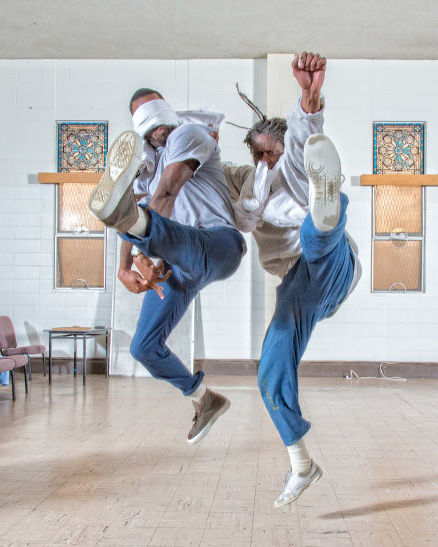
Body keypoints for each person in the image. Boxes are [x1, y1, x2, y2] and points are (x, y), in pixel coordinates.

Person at [223, 52, 361, 507]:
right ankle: (301, 464)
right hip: (296, 284)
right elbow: (210, 178)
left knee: (316, 226)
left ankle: (329, 206)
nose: (264, 158)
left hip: (330, 261)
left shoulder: (294, 165)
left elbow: (304, 139)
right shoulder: (248, 180)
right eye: (257, 152)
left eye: (271, 151)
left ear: (284, 149)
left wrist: (308, 98)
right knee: (269, 368)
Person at [88, 89, 246, 444]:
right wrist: (124, 265)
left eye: (158, 115)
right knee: (143, 347)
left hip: (218, 244)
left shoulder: (189, 136)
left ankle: (125, 216)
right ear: (140, 131)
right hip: (178, 259)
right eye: (147, 122)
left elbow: (168, 193)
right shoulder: (150, 167)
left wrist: (140, 250)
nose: (157, 127)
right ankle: (204, 399)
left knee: (145, 215)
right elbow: (153, 198)